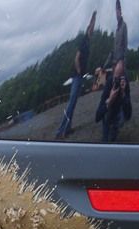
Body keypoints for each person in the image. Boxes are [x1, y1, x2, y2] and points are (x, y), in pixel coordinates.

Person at [56, 11, 97, 139]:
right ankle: (60, 132)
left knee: (73, 104)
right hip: (77, 76)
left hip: (79, 76)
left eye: (93, 29)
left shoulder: (88, 41)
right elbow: (77, 58)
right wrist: (79, 71)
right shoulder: (84, 40)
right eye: (91, 29)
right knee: (71, 103)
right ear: (88, 30)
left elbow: (91, 26)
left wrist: (93, 19)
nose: (92, 30)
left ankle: (67, 129)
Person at [96, 60, 132, 142]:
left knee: (120, 116)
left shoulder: (125, 84)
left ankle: (113, 133)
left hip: (118, 113)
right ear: (113, 71)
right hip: (108, 112)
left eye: (120, 77)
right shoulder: (109, 83)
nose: (117, 81)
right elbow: (97, 117)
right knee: (106, 113)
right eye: (116, 78)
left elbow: (128, 114)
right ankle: (106, 137)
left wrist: (123, 94)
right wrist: (110, 100)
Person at [104, 0, 128, 69]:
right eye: (116, 12)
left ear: (120, 12)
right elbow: (114, 48)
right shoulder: (117, 29)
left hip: (121, 61)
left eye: (118, 11)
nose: (116, 14)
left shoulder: (124, 25)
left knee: (120, 78)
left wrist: (123, 61)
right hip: (114, 61)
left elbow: (125, 44)